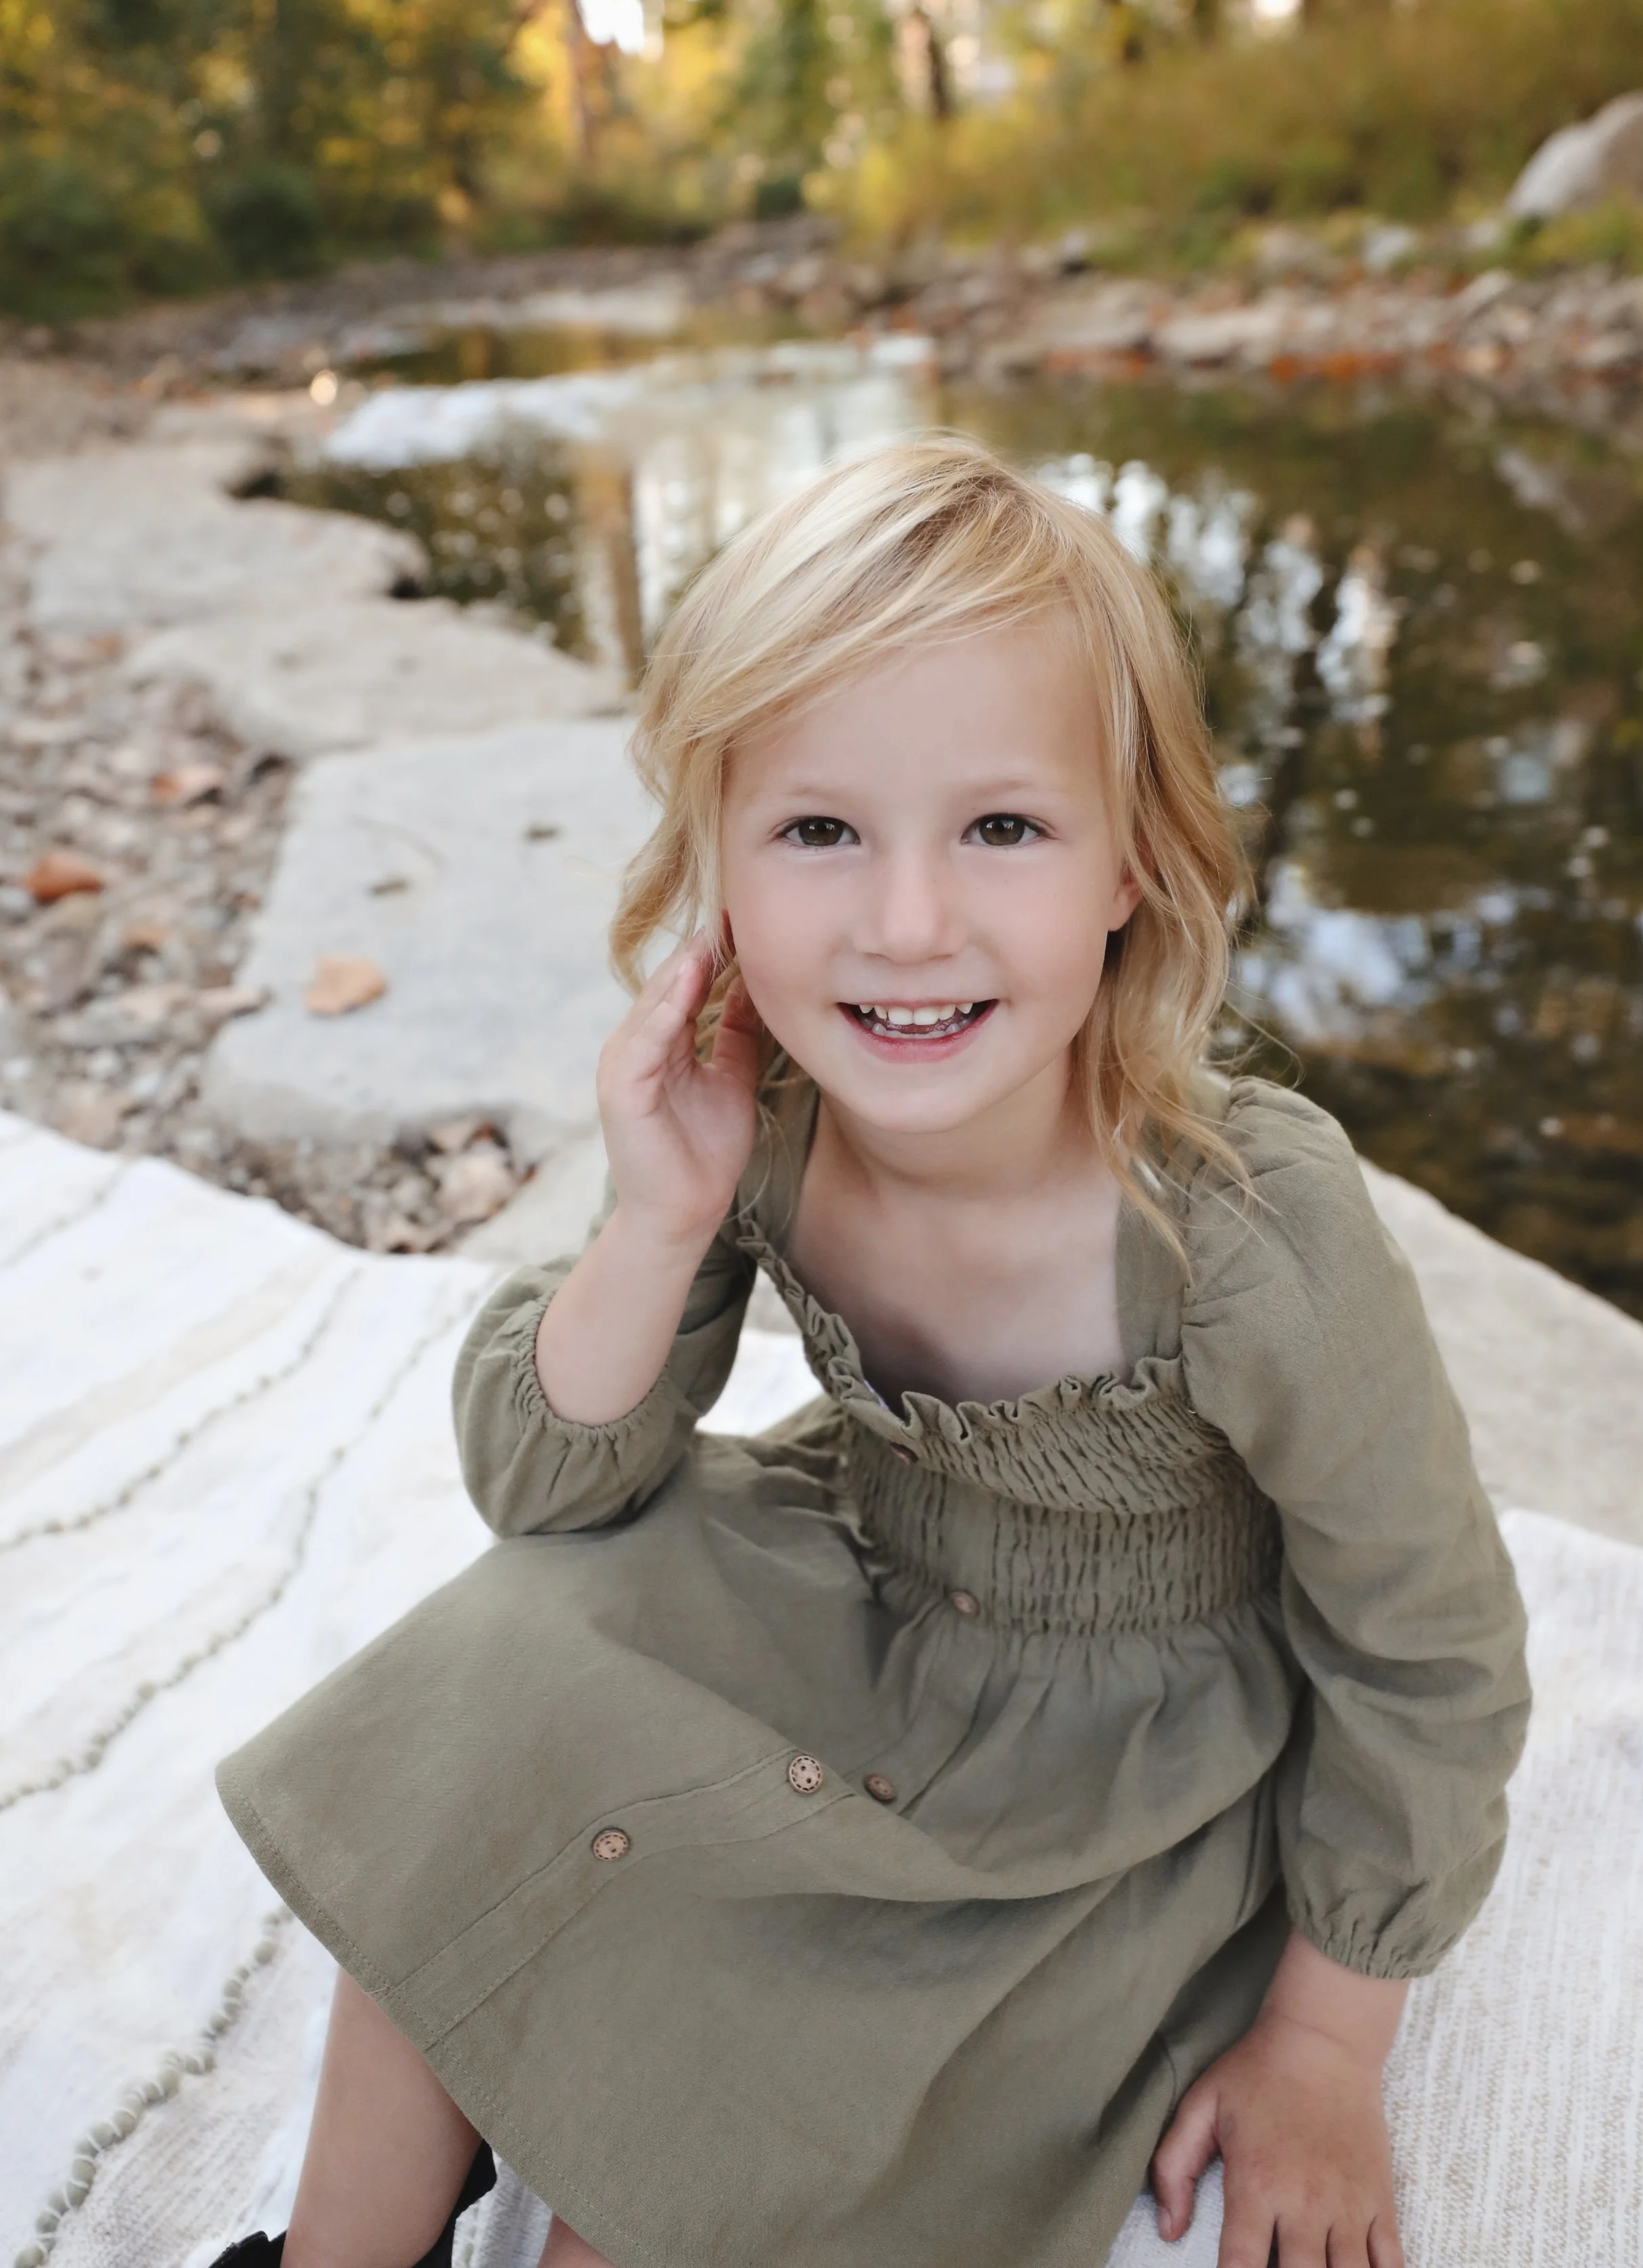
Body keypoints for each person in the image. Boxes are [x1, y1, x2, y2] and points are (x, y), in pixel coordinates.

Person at [214, 435, 1530, 2268]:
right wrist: (658, 1215)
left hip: (1110, 1743)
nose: (906, 922)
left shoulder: (1241, 1228)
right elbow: (547, 1482)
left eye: (1000, 826)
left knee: (709, 2148)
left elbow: (1431, 1653)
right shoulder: (757, 1117)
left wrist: (1321, 2038)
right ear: (720, 873)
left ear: (1131, 860)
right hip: (853, 1585)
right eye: (819, 830)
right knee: (489, 1722)